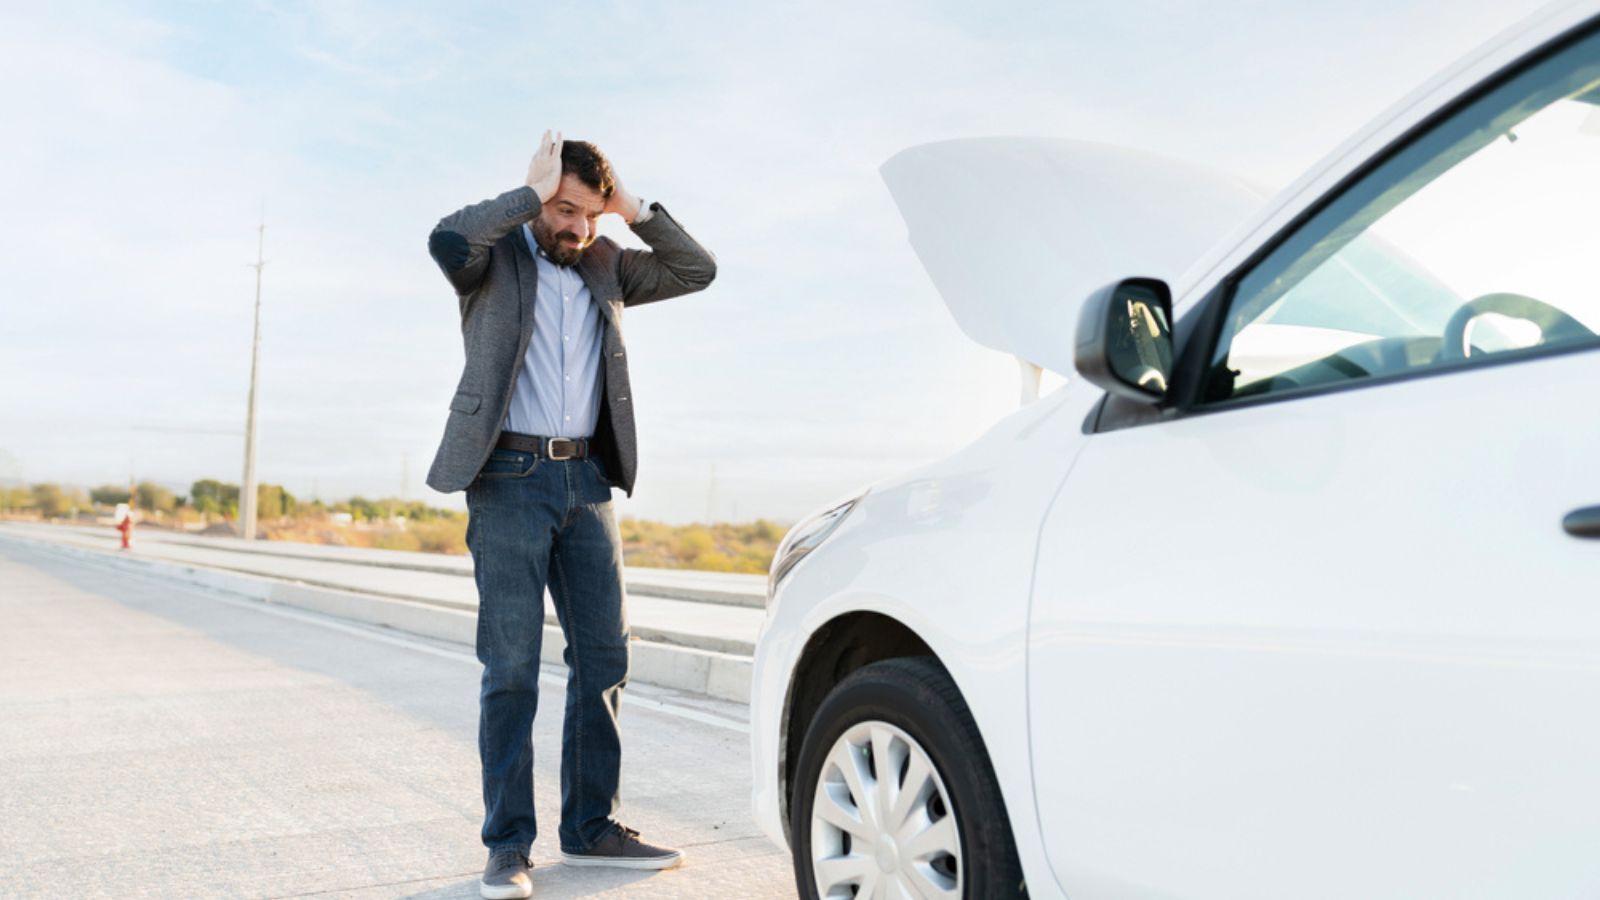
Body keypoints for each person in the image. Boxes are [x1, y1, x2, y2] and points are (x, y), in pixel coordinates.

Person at [424, 130, 716, 900]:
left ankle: (590, 829)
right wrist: (528, 193)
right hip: (507, 477)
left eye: (590, 214)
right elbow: (445, 238)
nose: (575, 228)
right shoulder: (493, 259)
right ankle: (507, 847)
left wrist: (632, 209)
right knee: (511, 668)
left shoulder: (606, 263)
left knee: (605, 658)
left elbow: (696, 269)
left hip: (587, 480)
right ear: (537, 200)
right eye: (563, 210)